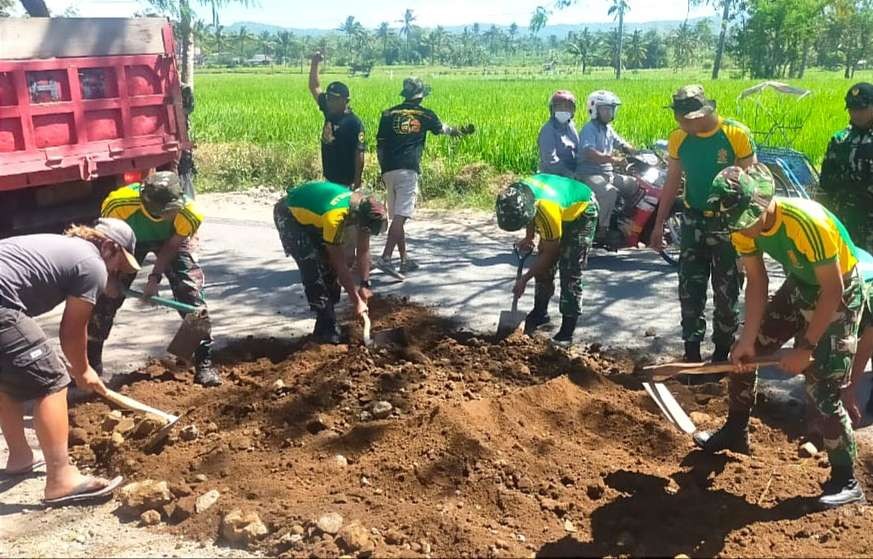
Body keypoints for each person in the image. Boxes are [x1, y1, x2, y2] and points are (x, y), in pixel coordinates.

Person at [696, 164, 867, 509]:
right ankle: (735, 429)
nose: (744, 228)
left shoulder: (807, 222)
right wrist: (747, 339)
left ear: (764, 203)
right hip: (800, 285)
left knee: (822, 385)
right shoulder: (740, 227)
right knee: (744, 354)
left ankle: (846, 479)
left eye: (748, 218)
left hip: (840, 292)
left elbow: (832, 290)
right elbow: (757, 283)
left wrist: (806, 348)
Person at [0, 218, 138, 504]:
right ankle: (61, 480)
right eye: (119, 264)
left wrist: (74, 362)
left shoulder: (64, 247)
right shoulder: (93, 265)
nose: (115, 272)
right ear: (110, 247)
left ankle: (20, 457)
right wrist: (83, 370)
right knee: (51, 382)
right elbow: (73, 331)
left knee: (8, 376)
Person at [650, 85, 756, 365]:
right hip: (693, 220)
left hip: (729, 223)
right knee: (690, 288)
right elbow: (672, 182)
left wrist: (750, 234)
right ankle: (692, 352)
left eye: (684, 120)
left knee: (727, 290)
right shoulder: (679, 139)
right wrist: (658, 224)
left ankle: (722, 354)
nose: (680, 125)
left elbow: (753, 186)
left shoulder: (735, 134)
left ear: (699, 115)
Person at [88, 171, 220, 387]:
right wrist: (111, 278)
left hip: (168, 240)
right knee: (105, 300)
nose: (170, 214)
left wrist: (154, 277)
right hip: (126, 243)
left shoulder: (189, 212)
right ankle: (92, 368)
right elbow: (108, 245)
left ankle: (202, 364)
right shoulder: (119, 204)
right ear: (147, 203)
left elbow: (172, 245)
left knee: (193, 300)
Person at [374, 77, 474, 280]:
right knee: (401, 216)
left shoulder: (387, 114)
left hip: (389, 169)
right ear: (420, 96)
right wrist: (464, 130)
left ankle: (404, 260)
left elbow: (380, 144)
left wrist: (383, 170)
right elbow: (447, 130)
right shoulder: (426, 115)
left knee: (397, 218)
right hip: (408, 169)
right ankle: (385, 257)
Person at [273, 180, 387, 344]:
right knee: (313, 268)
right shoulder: (335, 217)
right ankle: (328, 329)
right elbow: (339, 264)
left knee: (329, 272)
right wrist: (357, 301)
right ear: (359, 219)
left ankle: (324, 324)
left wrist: (364, 284)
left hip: (315, 216)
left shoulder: (363, 208)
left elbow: (363, 250)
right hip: (289, 216)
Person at [818, 82, 873, 419]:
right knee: (849, 299)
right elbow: (825, 186)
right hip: (846, 232)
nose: (857, 112)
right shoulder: (839, 140)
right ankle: (839, 367)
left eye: (863, 107)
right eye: (853, 108)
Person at [495, 173, 598, 346]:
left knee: (569, 269)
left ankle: (567, 332)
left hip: (582, 213)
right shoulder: (518, 192)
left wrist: (524, 279)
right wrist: (529, 237)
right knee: (543, 268)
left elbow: (550, 254)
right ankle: (540, 312)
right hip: (558, 208)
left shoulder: (546, 208)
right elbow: (530, 215)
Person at [576, 90, 638, 245]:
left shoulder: (608, 129)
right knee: (609, 193)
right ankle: (601, 230)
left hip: (607, 173)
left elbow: (621, 143)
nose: (610, 113)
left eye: (611, 109)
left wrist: (635, 152)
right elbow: (589, 152)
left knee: (634, 184)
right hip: (589, 173)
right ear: (594, 110)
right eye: (606, 109)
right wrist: (612, 159)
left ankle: (625, 221)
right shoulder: (589, 128)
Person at [308, 51, 365, 190]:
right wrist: (315, 63)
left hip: (346, 182)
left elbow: (359, 154)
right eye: (329, 98)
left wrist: (357, 181)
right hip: (329, 178)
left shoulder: (354, 123)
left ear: (346, 100)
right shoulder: (329, 111)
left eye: (335, 99)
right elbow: (314, 86)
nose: (331, 102)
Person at [537, 90, 579, 178]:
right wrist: (568, 173)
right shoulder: (548, 130)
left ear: (573, 110)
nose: (563, 110)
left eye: (567, 107)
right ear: (552, 110)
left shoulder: (571, 126)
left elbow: (578, 148)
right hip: (553, 174)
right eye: (559, 107)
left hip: (572, 170)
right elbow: (550, 159)